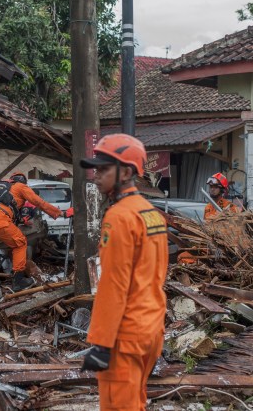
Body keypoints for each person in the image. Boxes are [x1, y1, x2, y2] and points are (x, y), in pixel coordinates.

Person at [79, 133, 169, 411]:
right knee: (135, 402)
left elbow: (113, 285)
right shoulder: (150, 212)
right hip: (151, 328)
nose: (96, 176)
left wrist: (101, 343)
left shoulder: (119, 217)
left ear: (127, 172)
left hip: (125, 335)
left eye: (104, 169)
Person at [0, 172, 73, 308]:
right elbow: (38, 201)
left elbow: (5, 206)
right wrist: (61, 213)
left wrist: (21, 219)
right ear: (22, 181)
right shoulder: (20, 186)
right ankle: (18, 280)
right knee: (20, 243)